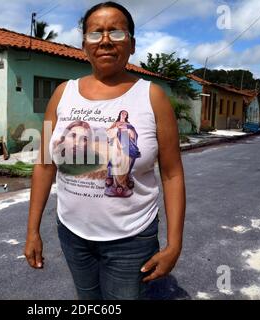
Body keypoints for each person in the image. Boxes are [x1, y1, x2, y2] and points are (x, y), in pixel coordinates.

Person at [25, 1, 186, 300]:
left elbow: (173, 174)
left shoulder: (152, 98)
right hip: (72, 234)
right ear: (85, 45)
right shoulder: (62, 94)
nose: (106, 41)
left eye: (116, 32)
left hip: (132, 238)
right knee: (87, 299)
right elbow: (45, 164)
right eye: (96, 33)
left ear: (132, 44)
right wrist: (32, 230)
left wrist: (174, 244)